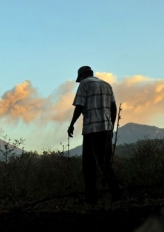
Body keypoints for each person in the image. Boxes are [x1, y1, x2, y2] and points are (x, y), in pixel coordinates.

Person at [68, 65, 123, 204]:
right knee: (105, 162)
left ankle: (91, 197)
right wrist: (110, 126)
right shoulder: (107, 85)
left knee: (88, 165)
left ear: (82, 76)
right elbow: (114, 107)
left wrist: (72, 124)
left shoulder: (84, 84)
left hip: (91, 130)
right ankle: (117, 192)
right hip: (106, 129)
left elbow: (79, 106)